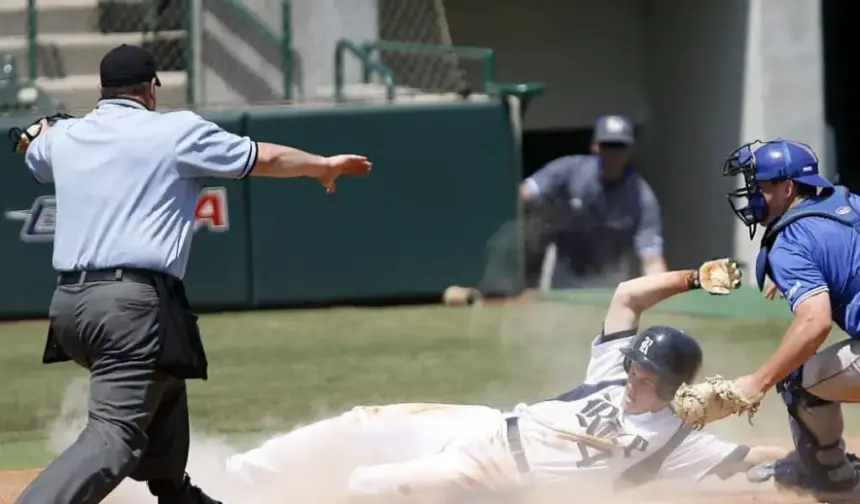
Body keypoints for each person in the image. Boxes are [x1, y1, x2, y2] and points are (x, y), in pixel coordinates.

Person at [13, 43, 371, 504]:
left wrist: (41, 133)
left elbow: (34, 152)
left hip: (69, 309)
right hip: (130, 304)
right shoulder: (174, 131)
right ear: (151, 89)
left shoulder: (66, 138)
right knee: (114, 437)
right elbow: (263, 158)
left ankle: (176, 493)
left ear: (102, 89)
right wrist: (321, 165)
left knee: (167, 363)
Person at [218, 259, 786, 504]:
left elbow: (752, 457)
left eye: (647, 371)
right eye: (635, 362)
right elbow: (627, 296)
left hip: (497, 471)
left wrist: (813, 446)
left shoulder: (679, 441)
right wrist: (696, 277)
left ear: (672, 384)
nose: (635, 372)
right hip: (484, 424)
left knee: (369, 486)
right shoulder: (613, 373)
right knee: (359, 423)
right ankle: (225, 483)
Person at [720, 139, 860, 503]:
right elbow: (841, 255)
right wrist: (811, 277)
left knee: (796, 377)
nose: (752, 195)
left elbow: (815, 324)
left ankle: (833, 477)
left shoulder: (791, 242)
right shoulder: (851, 204)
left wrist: (757, 381)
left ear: (787, 188)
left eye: (759, 187)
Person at [519, 114, 667, 291]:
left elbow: (651, 257)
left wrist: (662, 297)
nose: (613, 153)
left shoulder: (641, 197)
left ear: (629, 151)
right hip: (565, 270)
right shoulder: (569, 170)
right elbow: (525, 192)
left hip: (612, 276)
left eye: (620, 146)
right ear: (595, 147)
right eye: (607, 146)